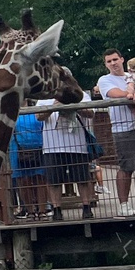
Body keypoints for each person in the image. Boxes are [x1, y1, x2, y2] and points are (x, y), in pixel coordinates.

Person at [97, 47, 135, 214]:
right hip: (124, 128)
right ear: (106, 64)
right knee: (126, 167)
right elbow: (115, 94)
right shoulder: (104, 80)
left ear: (122, 59)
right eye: (109, 61)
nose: (113, 63)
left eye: (115, 59)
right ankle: (124, 205)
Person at [40, 83, 96, 220]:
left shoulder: (81, 94)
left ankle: (87, 208)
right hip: (52, 146)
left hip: (77, 145)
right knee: (54, 180)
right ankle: (57, 209)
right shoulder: (44, 96)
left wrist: (74, 104)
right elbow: (39, 116)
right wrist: (54, 106)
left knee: (82, 179)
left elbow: (91, 113)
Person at [10, 97, 47, 219]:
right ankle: (30, 210)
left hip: (38, 146)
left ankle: (42, 210)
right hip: (18, 148)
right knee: (23, 180)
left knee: (40, 178)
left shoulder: (37, 110)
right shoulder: (10, 113)